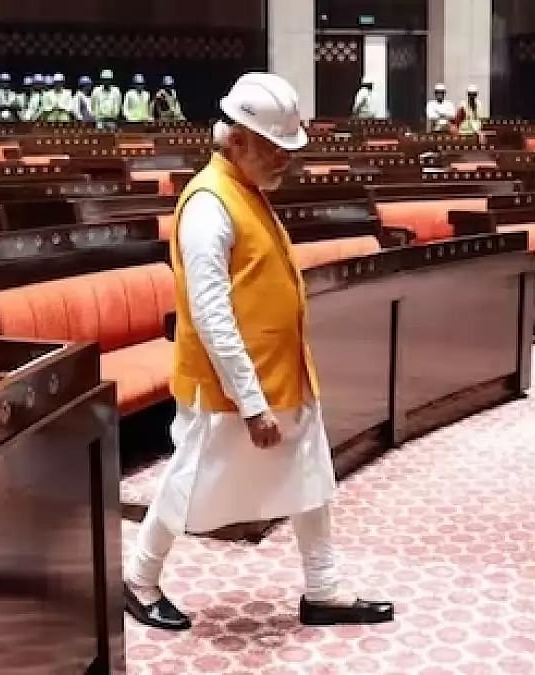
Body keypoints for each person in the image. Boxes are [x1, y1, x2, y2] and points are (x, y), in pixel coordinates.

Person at [124, 72, 395, 632]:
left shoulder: (246, 191)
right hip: (228, 384)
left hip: (285, 372)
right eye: (275, 149)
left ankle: (323, 589)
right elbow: (211, 313)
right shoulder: (208, 204)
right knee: (188, 480)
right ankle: (139, 580)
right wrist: (250, 401)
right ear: (238, 139)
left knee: (310, 474)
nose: (284, 162)